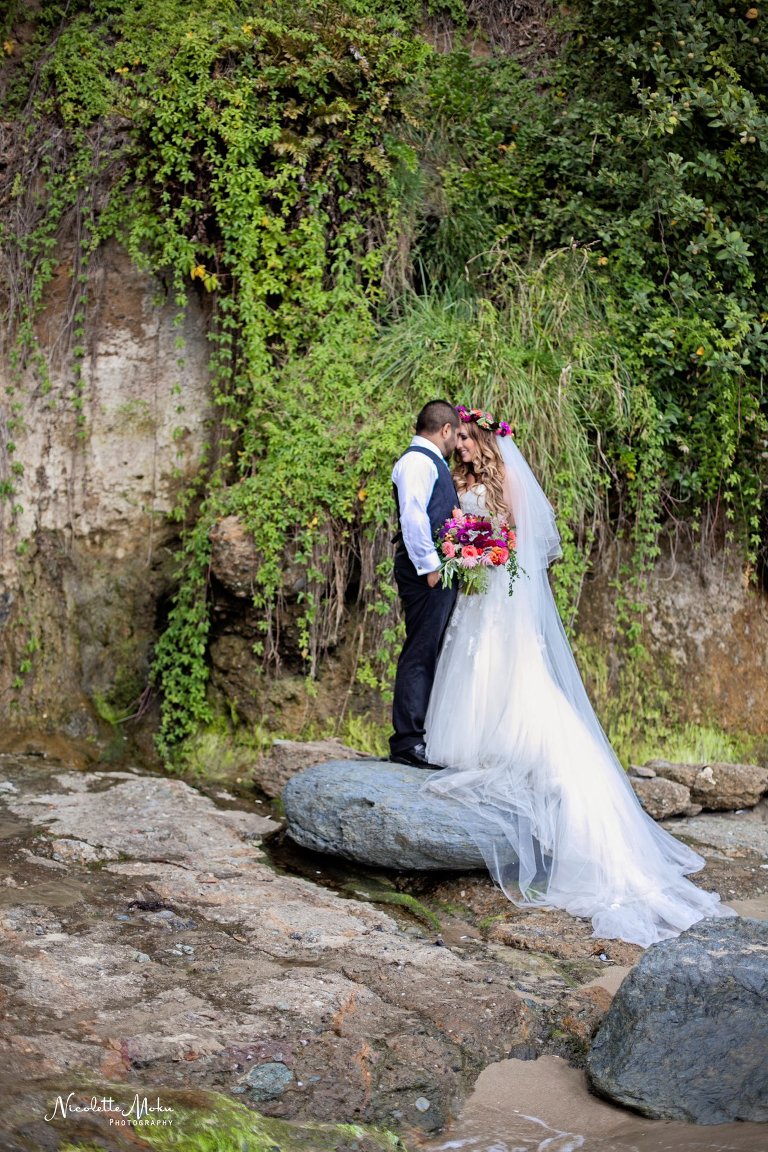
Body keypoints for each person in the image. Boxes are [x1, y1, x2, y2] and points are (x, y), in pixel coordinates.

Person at [423, 404, 735, 947]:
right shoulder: (457, 479)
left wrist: (486, 552)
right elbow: (460, 530)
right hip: (478, 594)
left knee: (511, 671)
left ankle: (518, 748)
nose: (465, 447)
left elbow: (523, 543)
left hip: (502, 592)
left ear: (486, 443)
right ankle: (473, 740)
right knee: (471, 658)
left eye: (471, 439)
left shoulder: (506, 483)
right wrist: (463, 550)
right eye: (463, 440)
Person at [389, 400, 460, 768]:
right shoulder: (418, 461)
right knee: (419, 650)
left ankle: (416, 736)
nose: (457, 443)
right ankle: (407, 741)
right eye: (456, 434)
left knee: (427, 649)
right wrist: (431, 567)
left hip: (434, 570)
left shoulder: (430, 462)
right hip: (426, 573)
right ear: (444, 430)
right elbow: (413, 517)